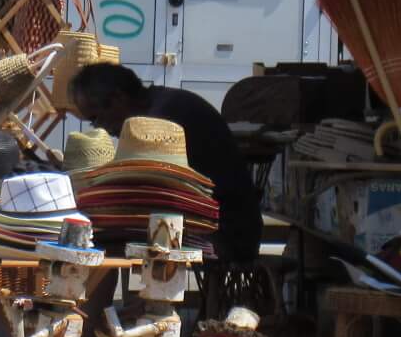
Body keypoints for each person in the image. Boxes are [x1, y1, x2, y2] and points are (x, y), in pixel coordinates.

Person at [69, 62, 264, 263]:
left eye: (96, 118)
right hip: (222, 225)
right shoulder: (161, 103)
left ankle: (101, 294)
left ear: (119, 98)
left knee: (103, 238)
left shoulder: (161, 121)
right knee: (111, 232)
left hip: (226, 233)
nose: (100, 127)